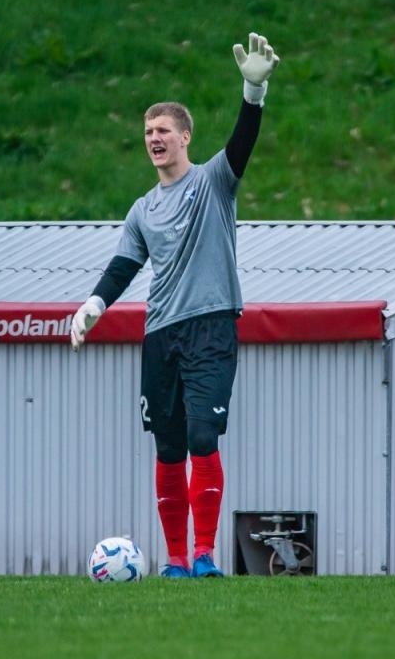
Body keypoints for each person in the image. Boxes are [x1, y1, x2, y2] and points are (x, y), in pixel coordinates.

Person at [70, 33, 280, 579]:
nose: (154, 138)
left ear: (185, 137)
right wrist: (95, 303)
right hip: (161, 334)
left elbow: (241, 145)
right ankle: (177, 561)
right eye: (147, 132)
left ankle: (206, 554)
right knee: (167, 448)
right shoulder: (142, 209)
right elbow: (124, 266)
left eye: (163, 130)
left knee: (202, 437)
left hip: (210, 328)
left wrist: (252, 92)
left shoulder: (213, 183)